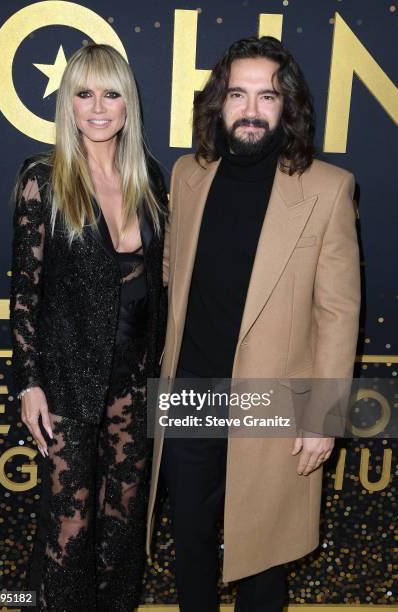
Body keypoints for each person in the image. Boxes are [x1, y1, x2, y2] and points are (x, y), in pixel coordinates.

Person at [146, 36, 360, 611]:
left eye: (267, 96)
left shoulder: (327, 188)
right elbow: (172, 271)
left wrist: (322, 416)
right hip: (190, 390)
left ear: (288, 107)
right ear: (219, 102)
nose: (250, 109)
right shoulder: (189, 174)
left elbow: (338, 312)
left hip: (273, 400)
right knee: (189, 542)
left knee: (264, 557)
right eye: (237, 94)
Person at [10, 43, 167, 611]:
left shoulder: (149, 178)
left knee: (124, 533)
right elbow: (25, 292)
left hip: (135, 383)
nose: (98, 107)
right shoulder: (43, 179)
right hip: (69, 380)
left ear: (129, 103)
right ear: (68, 104)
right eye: (84, 93)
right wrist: (30, 382)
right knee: (68, 532)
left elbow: (162, 283)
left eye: (111, 93)